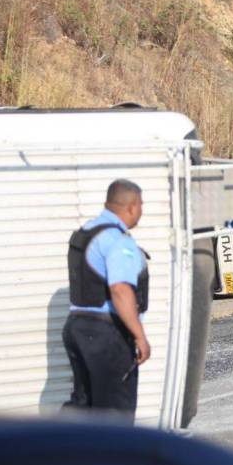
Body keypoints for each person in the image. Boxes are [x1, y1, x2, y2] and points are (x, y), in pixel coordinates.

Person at [62, 179, 151, 423]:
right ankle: (113, 460)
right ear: (131, 207)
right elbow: (120, 290)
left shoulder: (85, 233)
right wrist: (139, 336)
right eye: (141, 205)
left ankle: (73, 458)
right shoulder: (117, 241)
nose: (141, 210)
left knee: (84, 407)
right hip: (105, 335)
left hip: (77, 328)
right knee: (114, 413)